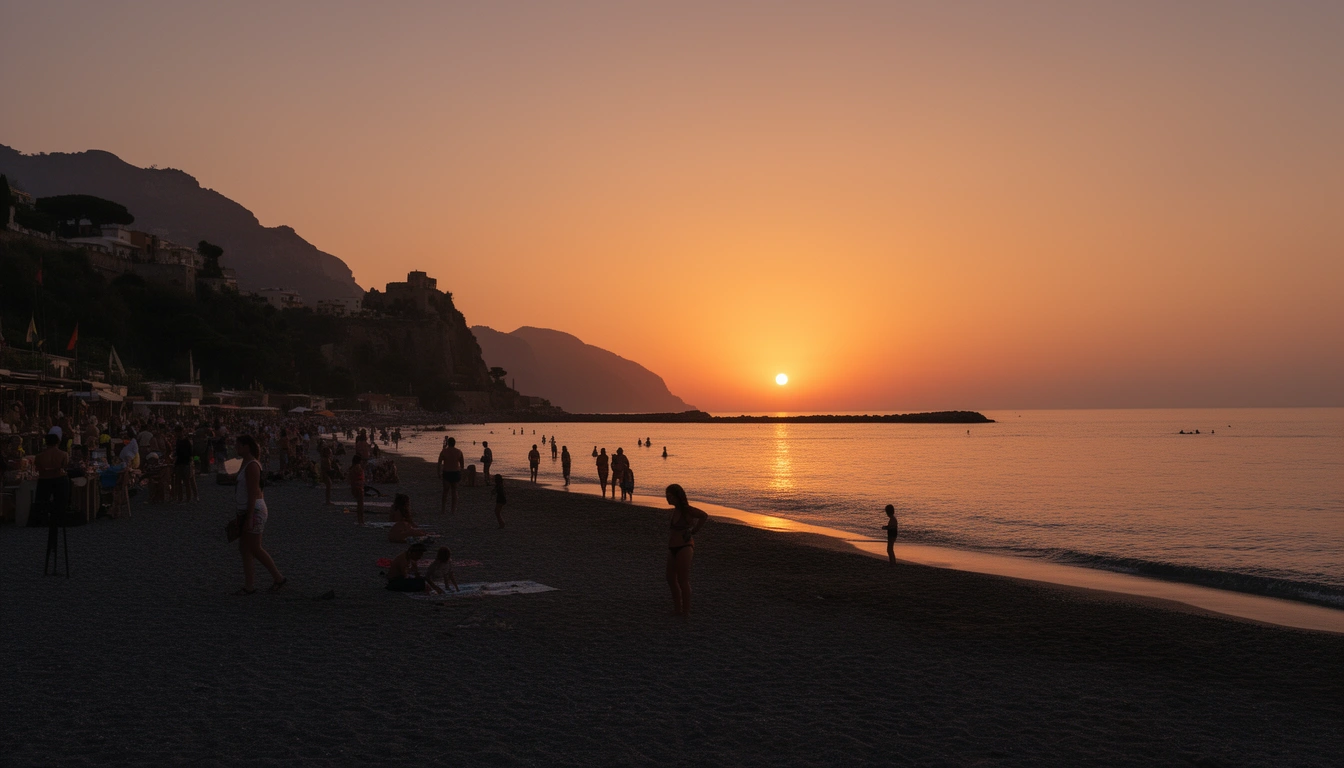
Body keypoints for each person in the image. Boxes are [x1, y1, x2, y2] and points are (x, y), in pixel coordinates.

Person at [235, 435, 285, 595]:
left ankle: (278, 578)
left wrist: (249, 517)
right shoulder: (246, 463)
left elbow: (253, 493)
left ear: (246, 447)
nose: (236, 448)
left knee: (254, 548)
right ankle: (249, 586)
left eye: (239, 445)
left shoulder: (252, 466)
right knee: (244, 548)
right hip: (248, 509)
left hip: (255, 510)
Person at [665, 484, 707, 617]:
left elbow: (703, 516)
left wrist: (694, 531)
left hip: (685, 547)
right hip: (672, 548)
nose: (668, 498)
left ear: (678, 497)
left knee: (683, 579)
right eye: (667, 496)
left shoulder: (687, 510)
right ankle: (677, 609)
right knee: (670, 578)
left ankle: (686, 611)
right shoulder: (675, 510)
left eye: (670, 496)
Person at [34, 433, 69, 528]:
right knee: (60, 501)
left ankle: (43, 520)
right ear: (58, 442)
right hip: (59, 479)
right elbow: (65, 467)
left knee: (43, 501)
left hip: (44, 479)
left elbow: (38, 468)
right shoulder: (63, 454)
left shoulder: (39, 456)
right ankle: (59, 519)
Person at [438, 437, 465, 514]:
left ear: (448, 443)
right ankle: (453, 509)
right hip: (455, 472)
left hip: (447, 472)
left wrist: (438, 472)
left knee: (445, 492)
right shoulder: (459, 452)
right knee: (454, 491)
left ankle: (443, 509)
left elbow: (439, 463)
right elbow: (462, 465)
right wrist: (461, 473)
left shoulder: (444, 451)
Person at [173, 427, 196, 503]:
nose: (177, 434)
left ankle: (188, 498)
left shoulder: (186, 441)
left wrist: (191, 462)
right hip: (179, 463)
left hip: (185, 463)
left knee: (187, 482)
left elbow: (191, 453)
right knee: (179, 482)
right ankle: (180, 498)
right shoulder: (178, 441)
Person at [349, 454, 366, 526]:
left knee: (359, 504)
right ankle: (361, 521)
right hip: (358, 487)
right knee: (360, 505)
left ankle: (360, 520)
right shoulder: (358, 467)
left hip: (355, 486)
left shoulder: (352, 468)